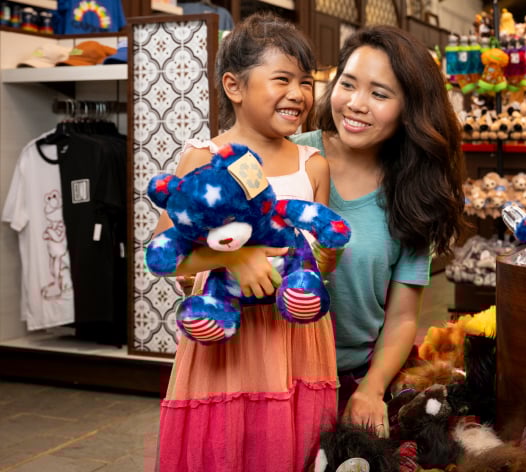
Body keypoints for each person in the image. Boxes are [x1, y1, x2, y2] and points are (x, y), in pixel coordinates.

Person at [155, 13, 337, 472]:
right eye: (282, 79)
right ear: (234, 86)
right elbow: (164, 255)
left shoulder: (312, 165)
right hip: (227, 342)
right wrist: (235, 258)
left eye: (306, 82)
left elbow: (324, 261)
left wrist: (326, 257)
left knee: (292, 446)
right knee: (226, 444)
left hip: (297, 339)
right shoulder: (203, 159)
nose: (298, 94)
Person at [291, 26, 467, 432]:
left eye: (379, 94)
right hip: (274, 374)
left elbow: (403, 316)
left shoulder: (413, 193)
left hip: (353, 379)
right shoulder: (291, 155)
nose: (356, 104)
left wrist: (371, 389)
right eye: (347, 85)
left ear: (411, 109)